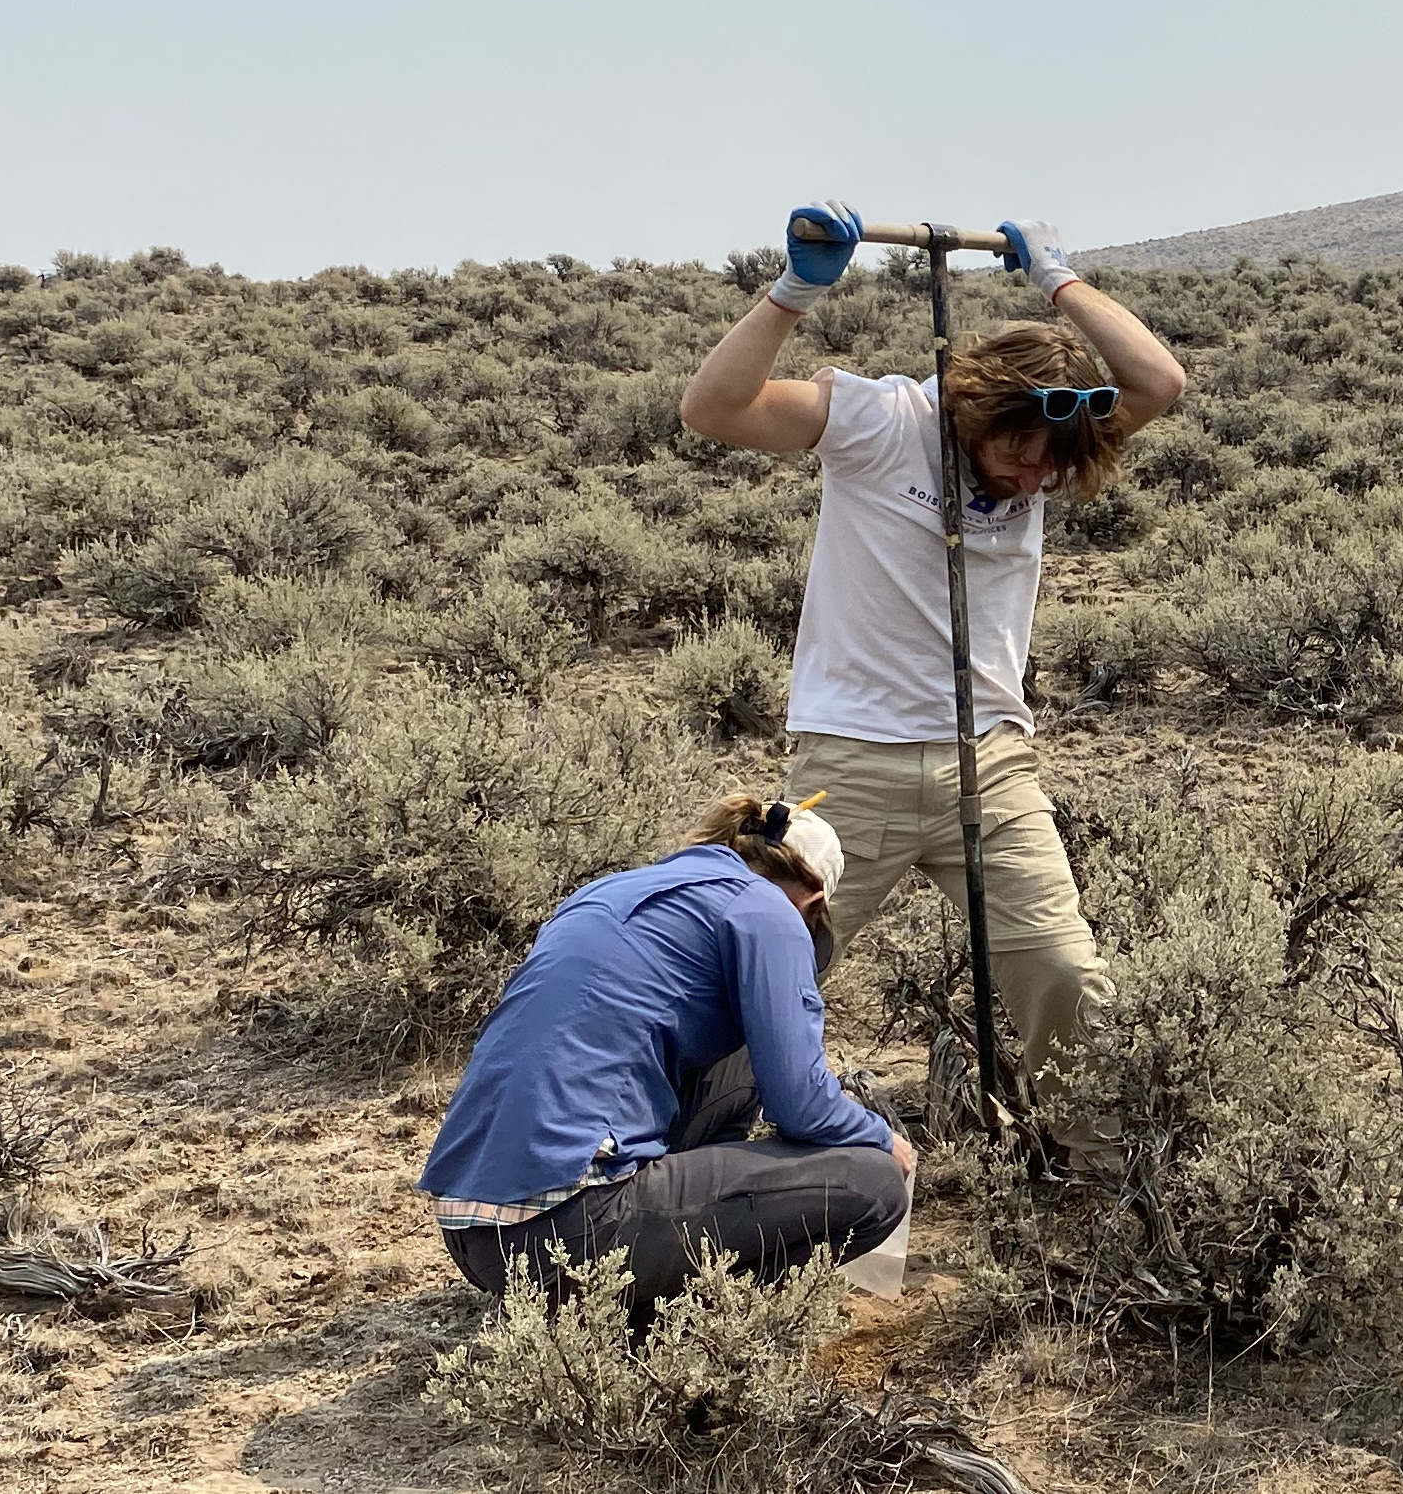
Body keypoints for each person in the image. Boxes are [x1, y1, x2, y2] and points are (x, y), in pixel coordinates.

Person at [675, 207, 1185, 1155]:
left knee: (1067, 975)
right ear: (975, 413)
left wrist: (1058, 282)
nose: (1033, 477)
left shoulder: (1055, 446)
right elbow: (711, 411)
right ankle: (684, 1165)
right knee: (761, 967)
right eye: (1015, 451)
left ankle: (1092, 1173)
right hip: (849, 764)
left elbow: (1159, 379)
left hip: (992, 767)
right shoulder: (883, 420)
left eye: (1053, 462)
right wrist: (795, 292)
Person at [420, 793, 913, 1320]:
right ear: (814, 901)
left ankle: (650, 1273)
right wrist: (884, 1139)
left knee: (742, 1055)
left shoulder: (611, 890)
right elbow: (801, 1103)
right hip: (568, 1232)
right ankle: (667, 1334)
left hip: (472, 1239)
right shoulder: (768, 909)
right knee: (874, 1184)